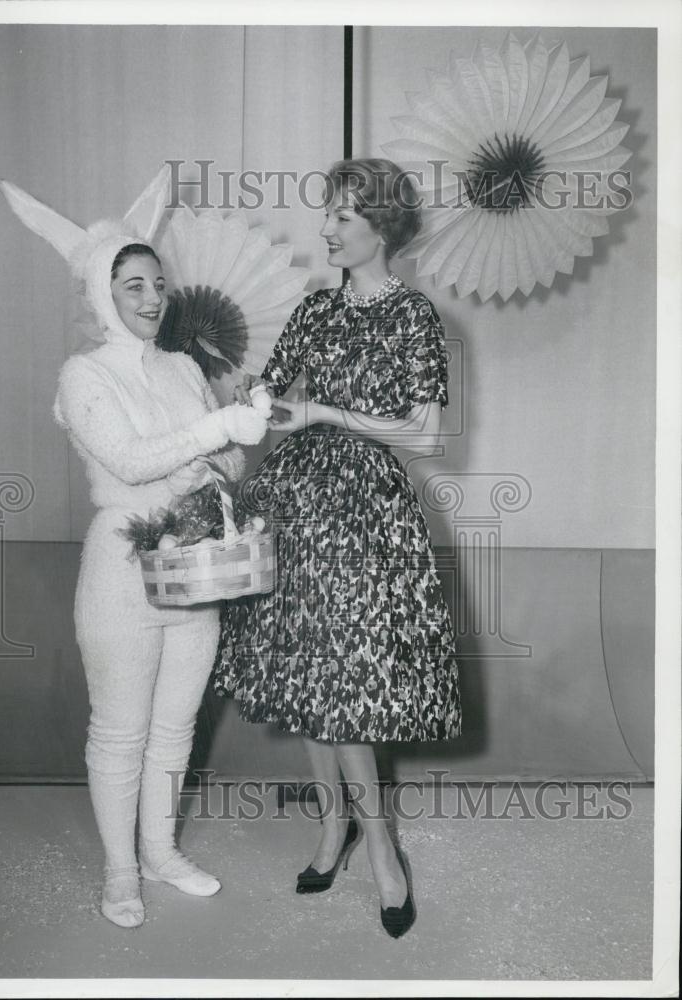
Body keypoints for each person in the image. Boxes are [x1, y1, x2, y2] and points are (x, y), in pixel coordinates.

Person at [0, 174, 269, 929]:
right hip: (123, 574)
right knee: (120, 728)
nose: (152, 298)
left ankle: (160, 850)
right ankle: (120, 869)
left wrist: (234, 442)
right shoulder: (83, 374)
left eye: (157, 283)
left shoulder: (183, 366)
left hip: (197, 565)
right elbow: (129, 461)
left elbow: (217, 462)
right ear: (99, 290)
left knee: (176, 726)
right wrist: (216, 435)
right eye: (133, 285)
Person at [212, 158, 462, 939]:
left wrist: (326, 411)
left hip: (364, 514)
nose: (327, 226)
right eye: (328, 212)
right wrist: (249, 400)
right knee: (311, 677)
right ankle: (334, 826)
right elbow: (275, 402)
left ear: (382, 226)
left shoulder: (413, 316)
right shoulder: (314, 310)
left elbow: (428, 434)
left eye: (344, 215)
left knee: (346, 682)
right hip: (290, 507)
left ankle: (378, 843)